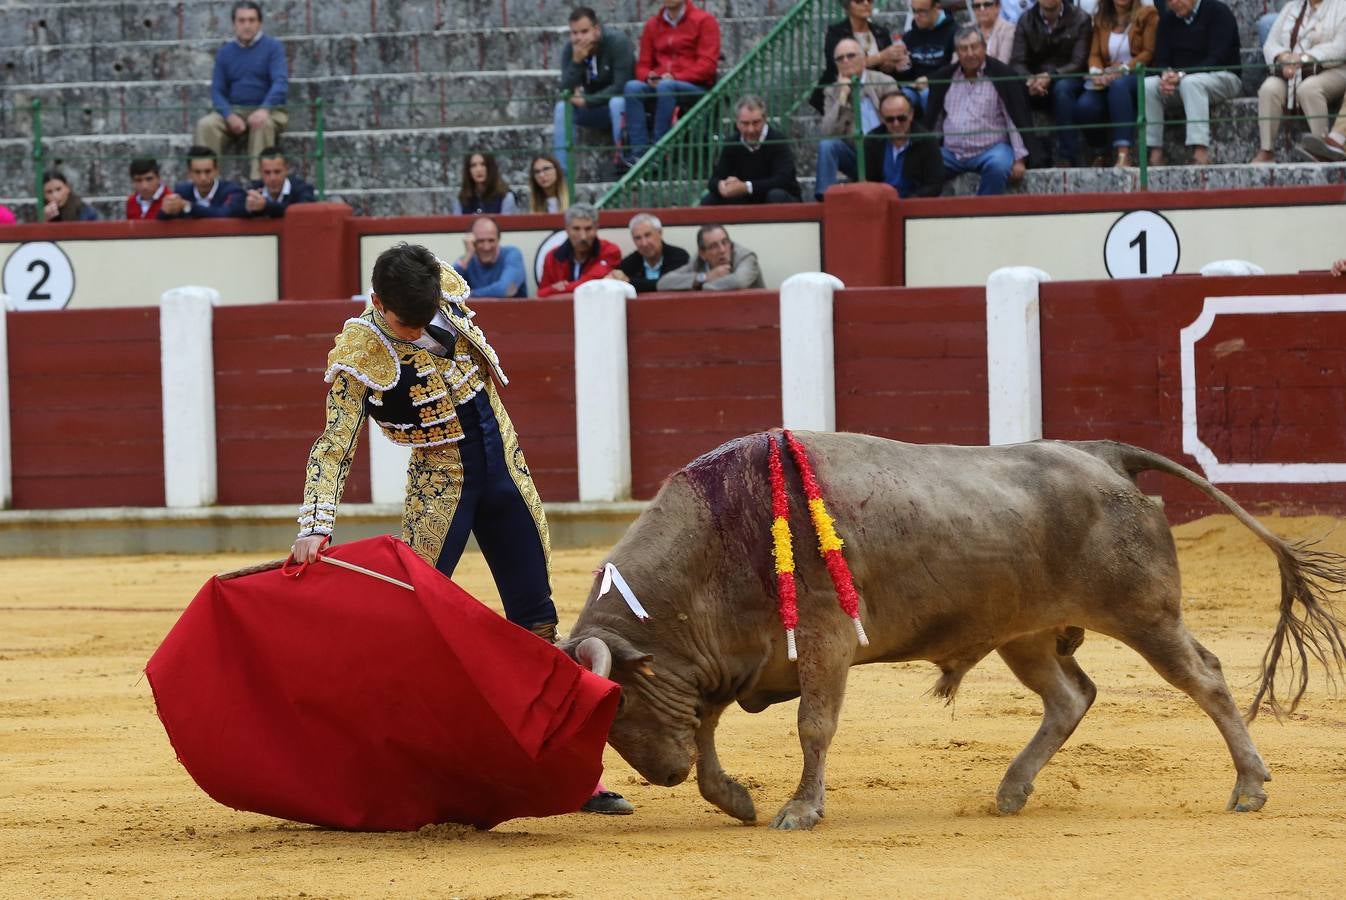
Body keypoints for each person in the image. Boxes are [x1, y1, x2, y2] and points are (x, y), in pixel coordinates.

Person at [290, 243, 631, 816]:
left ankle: (563, 771)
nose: (420, 330)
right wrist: (317, 522)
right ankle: (406, 763)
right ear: (376, 303)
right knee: (414, 631)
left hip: (506, 470)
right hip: (440, 485)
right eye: (407, 324)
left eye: (425, 319)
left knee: (536, 620)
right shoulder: (359, 351)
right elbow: (335, 443)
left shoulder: (441, 286)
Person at [928, 27, 1032, 195]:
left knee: (998, 166)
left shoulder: (1001, 75)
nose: (970, 53)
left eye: (974, 47)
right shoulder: (945, 77)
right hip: (952, 153)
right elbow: (936, 120)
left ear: (984, 47)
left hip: (991, 150)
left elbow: (1013, 119)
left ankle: (983, 215)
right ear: (957, 53)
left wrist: (1020, 159)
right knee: (923, 165)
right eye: (963, 49)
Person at [194, 1, 288, 181]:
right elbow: (217, 91)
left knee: (263, 124)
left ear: (259, 23)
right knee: (206, 125)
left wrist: (264, 109)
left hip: (268, 110)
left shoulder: (273, 48)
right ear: (234, 24)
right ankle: (206, 184)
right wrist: (229, 115)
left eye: (252, 20)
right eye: (242, 20)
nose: (247, 25)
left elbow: (280, 83)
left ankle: (258, 185)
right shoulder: (225, 53)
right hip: (235, 111)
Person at [621, 0, 722, 166]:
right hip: (662, 83)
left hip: (695, 86)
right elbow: (643, 65)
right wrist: (648, 76)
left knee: (666, 87)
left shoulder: (704, 21)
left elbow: (707, 66)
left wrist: (676, 76)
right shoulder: (652, 25)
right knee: (632, 87)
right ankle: (639, 153)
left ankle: (658, 151)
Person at [1143, 0, 1242, 166]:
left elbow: (1218, 58)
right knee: (1148, 86)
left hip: (1223, 76)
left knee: (1191, 83)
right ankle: (1155, 153)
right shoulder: (1167, 19)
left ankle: (1200, 152)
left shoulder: (1218, 12)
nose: (1174, 3)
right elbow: (1161, 59)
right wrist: (1166, 75)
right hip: (1182, 80)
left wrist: (1183, 75)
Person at [1253, 0, 1346, 164]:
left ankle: (1322, 147)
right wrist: (1284, 58)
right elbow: (1270, 44)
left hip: (1331, 69)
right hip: (1292, 72)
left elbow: (1340, 47)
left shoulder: (1341, 5)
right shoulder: (1292, 7)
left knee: (1309, 88)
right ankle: (1266, 151)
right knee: (1269, 88)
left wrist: (1304, 59)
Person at [1072, 0, 1158, 167]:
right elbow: (1094, 54)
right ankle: (1099, 151)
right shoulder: (1101, 18)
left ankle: (1123, 154)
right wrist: (1096, 73)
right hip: (1108, 78)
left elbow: (1148, 52)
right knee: (1085, 106)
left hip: (1136, 75)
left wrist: (1124, 69)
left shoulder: (1148, 14)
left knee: (1120, 87)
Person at [1010, 0, 1092, 167]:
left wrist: (1051, 76)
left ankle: (1066, 156)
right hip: (1035, 80)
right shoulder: (1025, 19)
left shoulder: (1081, 18)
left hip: (1067, 77)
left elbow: (1079, 62)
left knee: (1063, 90)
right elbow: (1017, 61)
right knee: (1013, 89)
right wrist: (1030, 80)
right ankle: (1028, 155)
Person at [553, 7, 632, 175]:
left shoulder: (618, 42)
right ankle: (562, 175)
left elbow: (621, 86)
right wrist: (576, 61)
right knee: (562, 108)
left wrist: (587, 101)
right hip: (594, 110)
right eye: (574, 33)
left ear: (596, 30)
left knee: (618, 102)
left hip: (621, 109)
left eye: (584, 31)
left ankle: (624, 163)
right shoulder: (571, 49)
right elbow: (565, 90)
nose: (579, 38)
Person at [816, 38, 898, 198]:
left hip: (885, 150)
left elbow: (897, 120)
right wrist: (843, 96)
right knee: (827, 146)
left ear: (864, 57)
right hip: (856, 154)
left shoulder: (884, 82)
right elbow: (827, 132)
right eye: (840, 58)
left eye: (850, 55)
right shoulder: (831, 91)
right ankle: (823, 198)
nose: (845, 61)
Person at [701, 95, 801, 205]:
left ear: (765, 119)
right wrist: (721, 186)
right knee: (709, 200)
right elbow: (714, 179)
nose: (751, 129)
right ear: (737, 122)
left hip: (780, 199)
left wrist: (747, 187)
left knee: (775, 195)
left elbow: (783, 180)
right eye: (745, 123)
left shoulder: (777, 141)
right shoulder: (732, 143)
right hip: (746, 200)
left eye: (756, 123)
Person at [810, 0, 905, 114]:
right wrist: (880, 57)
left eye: (869, 0)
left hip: (876, 94)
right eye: (859, 1)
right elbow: (838, 65)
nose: (866, 4)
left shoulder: (881, 32)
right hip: (846, 93)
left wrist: (889, 65)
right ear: (848, 5)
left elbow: (887, 68)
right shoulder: (836, 32)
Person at [861, 91, 945, 197]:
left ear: (911, 115)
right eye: (890, 119)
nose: (896, 124)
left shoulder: (926, 140)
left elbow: (934, 184)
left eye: (901, 118)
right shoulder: (872, 141)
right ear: (882, 119)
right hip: (882, 202)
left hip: (915, 204)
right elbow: (868, 181)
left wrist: (911, 200)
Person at [537, 203, 621, 297]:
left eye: (588, 229)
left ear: (597, 228)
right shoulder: (552, 258)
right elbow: (541, 295)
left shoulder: (610, 251)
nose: (583, 237)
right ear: (567, 229)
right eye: (576, 229)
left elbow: (589, 284)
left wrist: (556, 290)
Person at [894, 0, 958, 112]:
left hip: (942, 86)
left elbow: (955, 69)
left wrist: (929, 80)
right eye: (914, 11)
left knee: (927, 96)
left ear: (936, 8)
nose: (916, 16)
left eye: (922, 11)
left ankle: (929, 129)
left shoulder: (954, 33)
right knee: (899, 100)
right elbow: (905, 76)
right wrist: (902, 68)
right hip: (914, 86)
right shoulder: (909, 36)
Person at [657, 224, 764, 291]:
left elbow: (739, 281)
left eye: (725, 242)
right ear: (703, 254)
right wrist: (705, 277)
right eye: (714, 246)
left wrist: (705, 286)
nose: (722, 250)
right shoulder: (698, 261)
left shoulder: (746, 257)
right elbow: (663, 283)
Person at [609, 213, 690, 293]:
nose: (644, 243)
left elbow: (668, 284)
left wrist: (629, 282)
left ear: (660, 233)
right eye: (638, 238)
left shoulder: (679, 256)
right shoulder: (630, 262)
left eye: (648, 235)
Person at [158, 146, 245, 219]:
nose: (203, 178)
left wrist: (189, 207)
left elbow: (224, 214)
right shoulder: (182, 191)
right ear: (189, 173)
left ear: (216, 171)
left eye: (207, 171)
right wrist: (165, 211)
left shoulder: (232, 190)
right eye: (197, 172)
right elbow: (162, 222)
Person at [452, 216, 528, 298]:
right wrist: (468, 255)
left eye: (491, 240)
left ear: (498, 239)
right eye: (480, 241)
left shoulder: (512, 255)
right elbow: (447, 289)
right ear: (472, 242)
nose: (486, 247)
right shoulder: (467, 261)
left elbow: (506, 289)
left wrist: (468, 295)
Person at [233, 146, 315, 217]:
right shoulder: (253, 189)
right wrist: (247, 207)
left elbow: (301, 212)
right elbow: (232, 209)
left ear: (287, 170)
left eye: (277, 172)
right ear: (260, 172)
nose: (272, 178)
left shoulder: (303, 189)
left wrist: (265, 206)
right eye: (267, 172)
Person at [451, 152, 517, 216]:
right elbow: (457, 225)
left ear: (491, 167)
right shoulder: (461, 199)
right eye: (473, 165)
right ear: (468, 170)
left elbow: (506, 225)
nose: (478, 169)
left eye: (483, 164)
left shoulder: (506, 197)